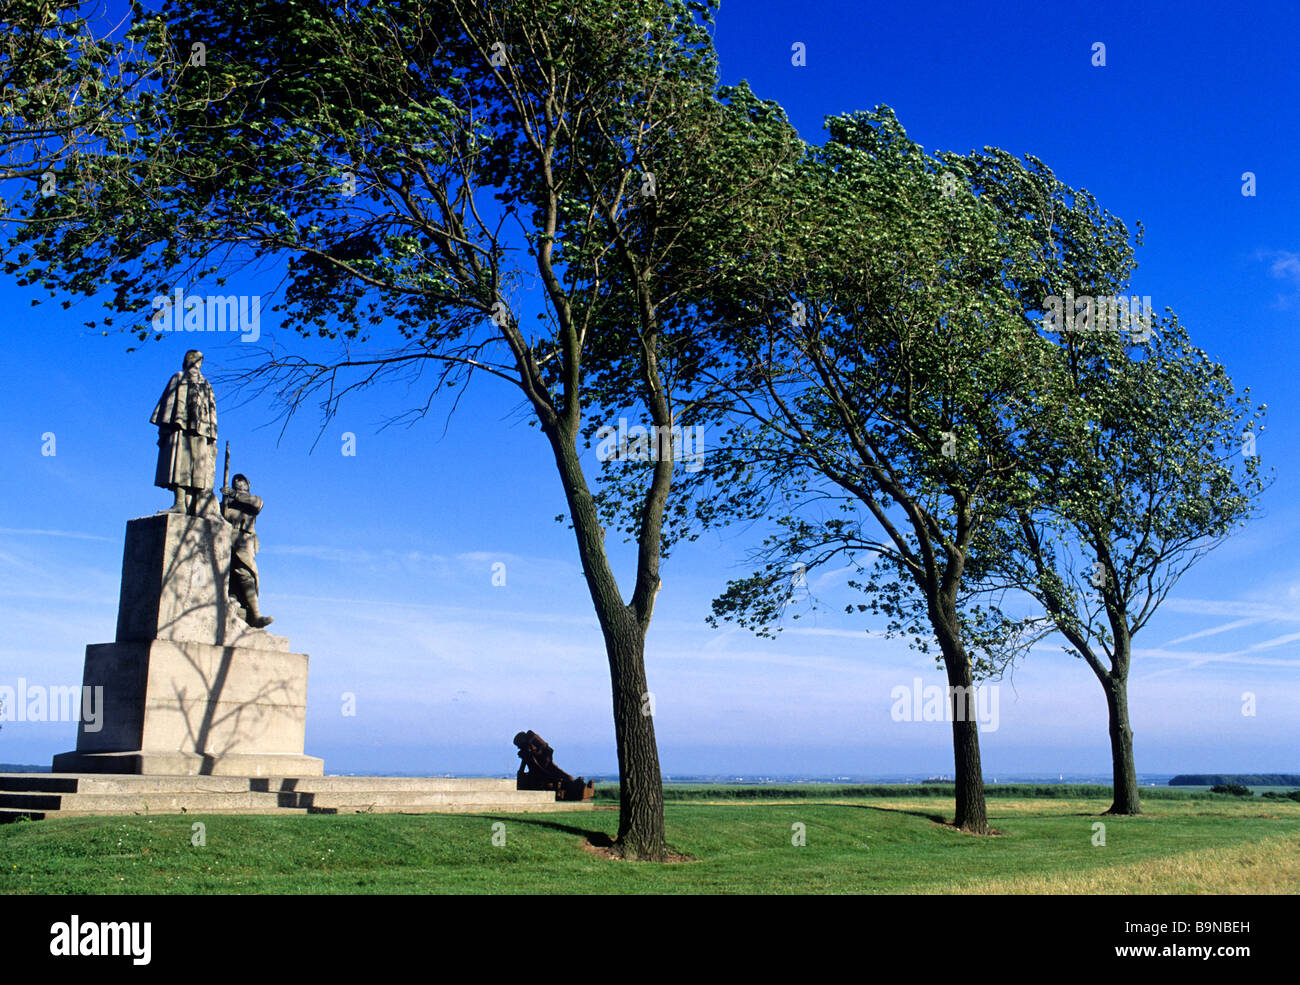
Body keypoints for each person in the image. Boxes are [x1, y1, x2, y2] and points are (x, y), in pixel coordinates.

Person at [151, 350, 219, 515]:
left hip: (198, 431)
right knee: (180, 465)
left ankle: (189, 504)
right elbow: (169, 406)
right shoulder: (179, 378)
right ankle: (180, 503)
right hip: (181, 428)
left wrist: (212, 434)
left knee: (194, 468)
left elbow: (211, 411)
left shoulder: (205, 384)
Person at [221, 473, 273, 628]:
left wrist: (234, 495)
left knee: (246, 574)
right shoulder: (226, 503)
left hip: (243, 539)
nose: (238, 481)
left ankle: (255, 614)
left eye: (242, 480)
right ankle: (237, 610)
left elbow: (258, 504)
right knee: (228, 577)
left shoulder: (251, 500)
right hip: (225, 539)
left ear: (247, 485)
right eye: (236, 480)